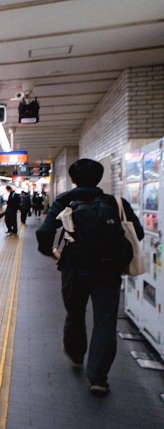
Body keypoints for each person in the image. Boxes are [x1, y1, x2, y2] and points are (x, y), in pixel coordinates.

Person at [36, 158, 143, 397]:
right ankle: (98, 378)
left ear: (73, 179)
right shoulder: (115, 202)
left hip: (75, 268)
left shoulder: (66, 200)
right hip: (108, 271)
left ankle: (75, 354)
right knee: (105, 321)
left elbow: (44, 231)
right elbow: (138, 233)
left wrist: (50, 252)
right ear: (99, 178)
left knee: (75, 312)